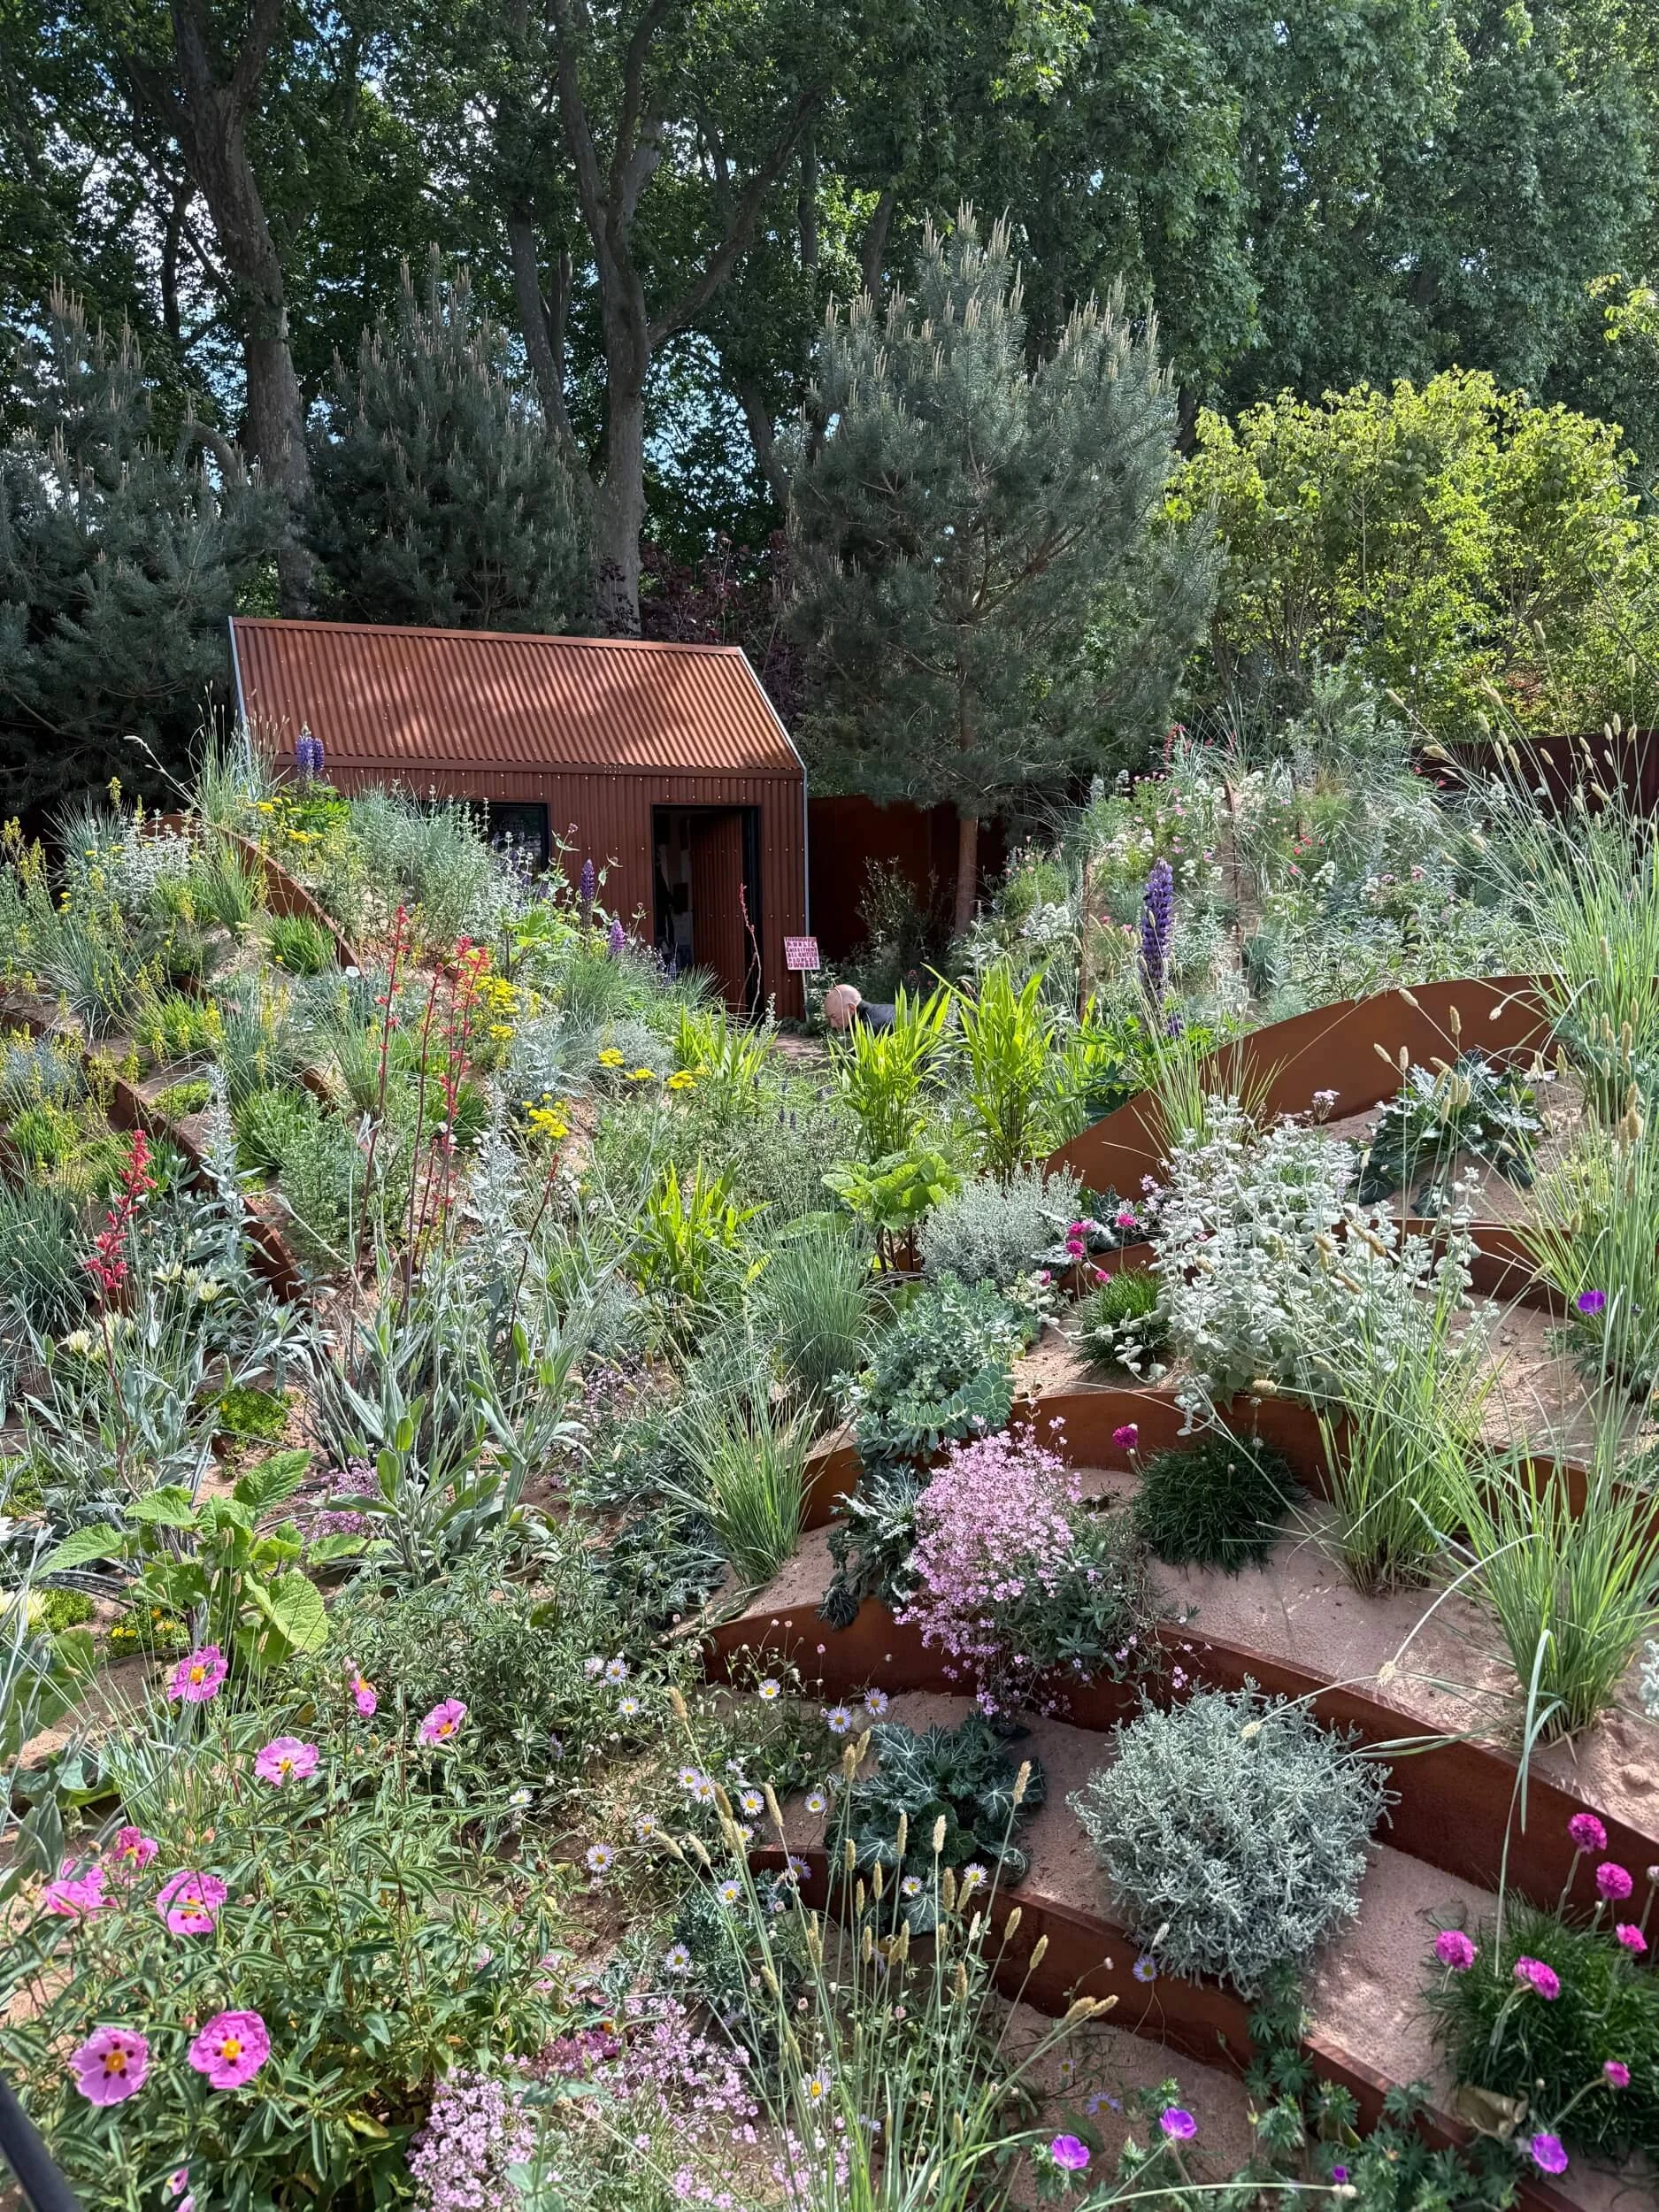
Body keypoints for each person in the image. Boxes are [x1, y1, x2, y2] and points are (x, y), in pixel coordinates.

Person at [823, 982, 896, 1033]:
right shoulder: (892, 1008)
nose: (833, 1025)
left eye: (834, 1017)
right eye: (829, 1018)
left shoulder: (868, 1029)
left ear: (851, 1008)